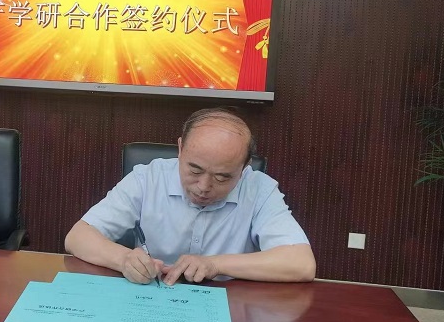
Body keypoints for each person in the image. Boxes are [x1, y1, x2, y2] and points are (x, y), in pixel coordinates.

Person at [65, 108, 316, 285]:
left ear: (245, 167)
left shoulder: (259, 189)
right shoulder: (148, 178)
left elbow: (301, 264)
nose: (204, 186)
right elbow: (78, 237)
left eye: (222, 177)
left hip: (228, 307)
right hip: (151, 297)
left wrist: (215, 265)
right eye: (194, 170)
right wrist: (124, 260)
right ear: (181, 148)